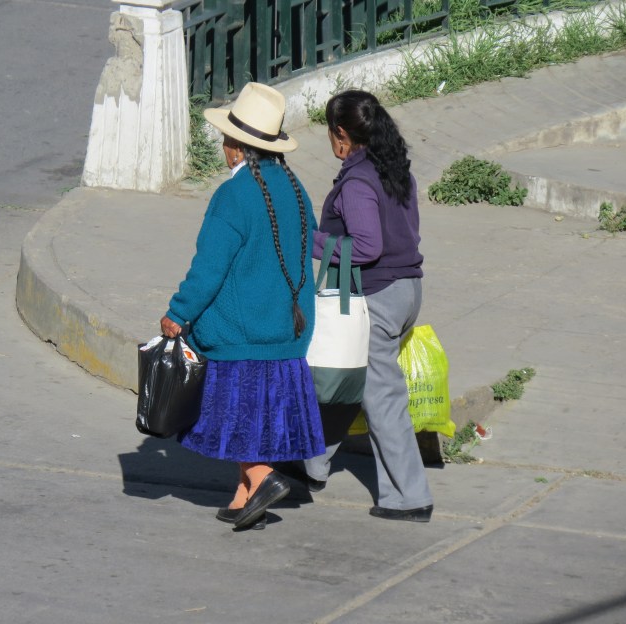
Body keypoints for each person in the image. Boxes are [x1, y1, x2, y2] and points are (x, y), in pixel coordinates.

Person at [160, 82, 324, 531]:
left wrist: (179, 313)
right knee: (260, 421)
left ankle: (261, 476)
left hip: (239, 332)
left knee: (235, 418)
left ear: (235, 147)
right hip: (286, 330)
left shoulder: (233, 195)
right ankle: (244, 494)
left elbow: (208, 268)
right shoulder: (293, 187)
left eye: (226, 139)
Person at [291, 89, 434, 522]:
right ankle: (310, 465)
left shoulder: (355, 183)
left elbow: (367, 246)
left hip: (376, 295)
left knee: (381, 396)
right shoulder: (394, 168)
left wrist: (307, 240)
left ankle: (409, 497)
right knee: (346, 378)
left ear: (341, 135)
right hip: (406, 289)